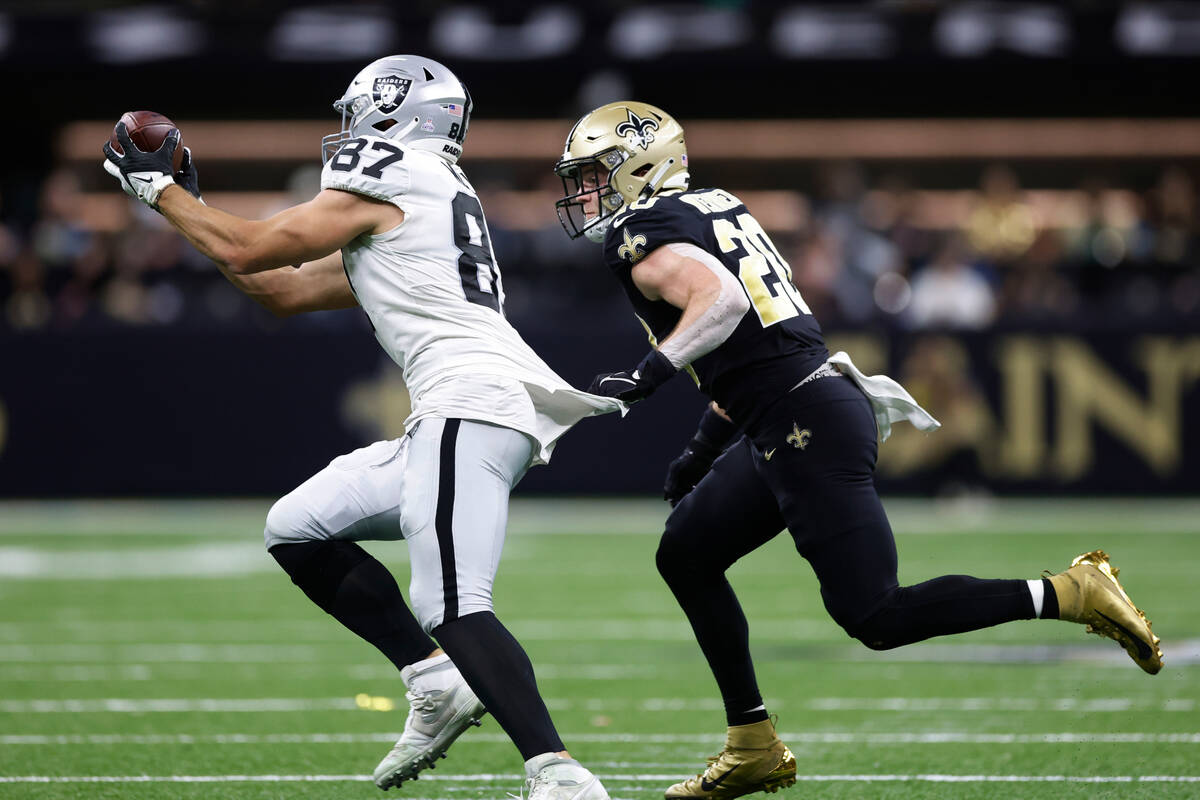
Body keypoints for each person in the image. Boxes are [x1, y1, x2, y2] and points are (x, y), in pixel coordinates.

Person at [552, 101, 1164, 800]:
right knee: (686, 554)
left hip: (803, 418)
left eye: (598, 172)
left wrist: (649, 374)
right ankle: (751, 742)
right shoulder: (711, 206)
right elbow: (754, 342)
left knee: (875, 615)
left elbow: (719, 305)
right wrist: (704, 444)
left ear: (641, 163)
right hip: (792, 408)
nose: (589, 191)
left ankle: (1068, 592)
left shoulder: (643, 231)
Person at [102, 55, 620, 800]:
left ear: (393, 110)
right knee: (299, 527)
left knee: (453, 602)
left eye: (358, 110)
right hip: (462, 410)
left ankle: (559, 774)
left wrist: (158, 189)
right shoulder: (426, 199)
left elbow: (247, 247)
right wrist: (185, 201)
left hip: (467, 404)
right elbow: (272, 287)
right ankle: (432, 680)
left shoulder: (397, 172)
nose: (348, 127)